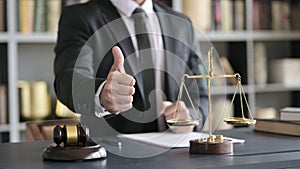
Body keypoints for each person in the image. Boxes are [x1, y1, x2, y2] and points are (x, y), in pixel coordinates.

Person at [54, 0, 208, 135]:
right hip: (113, 155)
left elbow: (200, 93)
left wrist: (189, 119)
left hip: (176, 155)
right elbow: (68, 79)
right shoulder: (81, 17)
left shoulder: (181, 23)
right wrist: (101, 93)